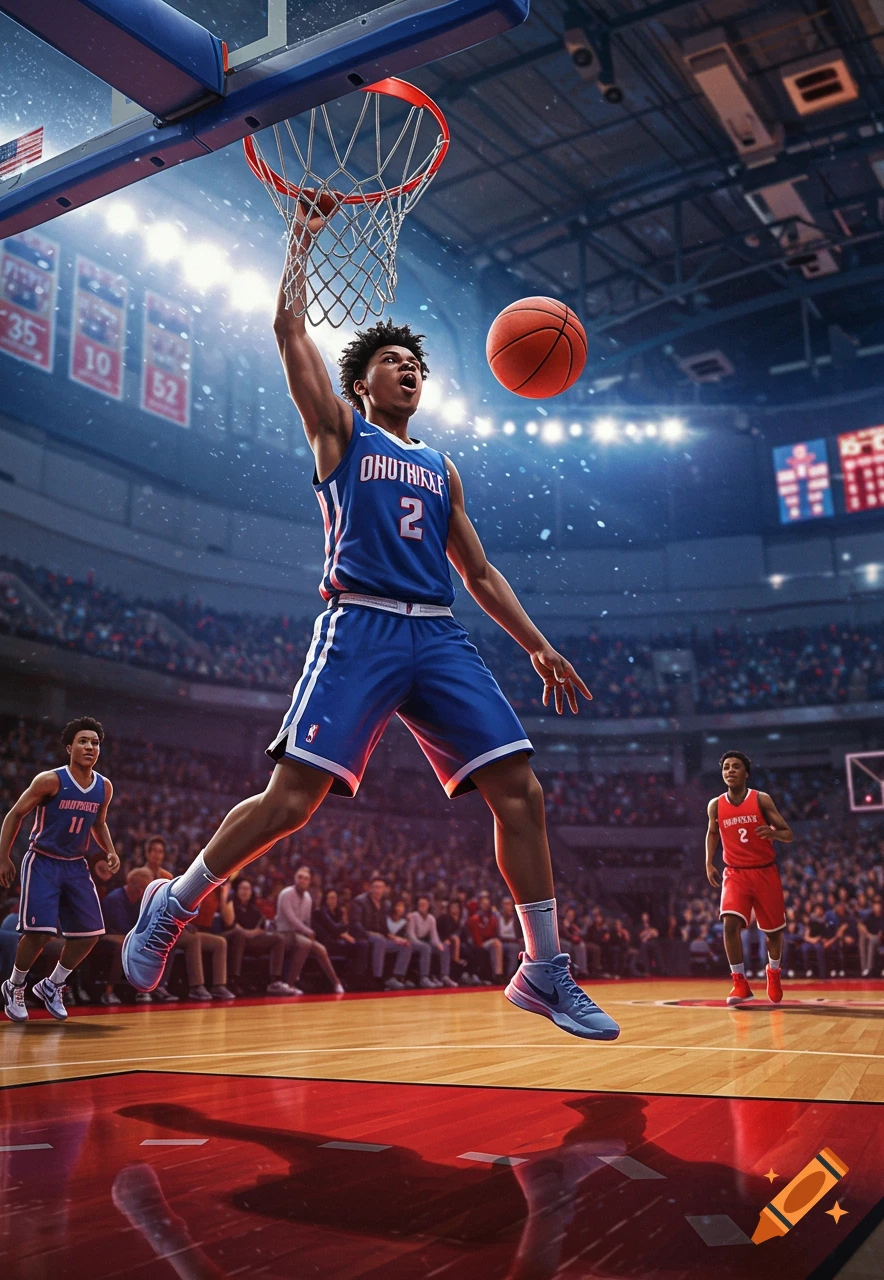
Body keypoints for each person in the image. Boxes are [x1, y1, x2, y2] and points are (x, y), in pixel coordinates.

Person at [122, 208, 619, 1043]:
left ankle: (543, 969)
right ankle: (172, 903)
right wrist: (302, 242)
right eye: (394, 360)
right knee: (292, 802)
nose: (409, 369)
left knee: (520, 792)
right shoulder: (339, 433)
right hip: (360, 627)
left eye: (417, 363)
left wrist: (536, 641)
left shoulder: (441, 466)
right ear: (364, 381)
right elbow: (287, 326)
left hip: (438, 634)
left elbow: (481, 571)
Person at [0, 717, 120, 1022]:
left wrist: (111, 850)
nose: (90, 746)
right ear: (69, 748)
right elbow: (15, 814)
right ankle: (14, 985)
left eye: (95, 742)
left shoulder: (104, 787)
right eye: (83, 741)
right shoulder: (49, 780)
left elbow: (99, 823)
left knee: (90, 934)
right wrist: (3, 857)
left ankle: (53, 985)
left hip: (76, 865)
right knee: (40, 933)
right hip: (43, 861)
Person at [705, 751, 793, 1007]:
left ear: (746, 773)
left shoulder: (761, 799)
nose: (730, 770)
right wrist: (708, 861)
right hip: (734, 872)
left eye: (736, 767)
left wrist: (774, 834)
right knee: (729, 924)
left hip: (764, 871)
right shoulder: (715, 805)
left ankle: (773, 972)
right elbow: (712, 833)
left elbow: (789, 834)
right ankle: (740, 982)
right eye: (726, 767)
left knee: (773, 933)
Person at [276, 866, 344, 994]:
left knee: (321, 949)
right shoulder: (286, 894)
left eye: (306, 878)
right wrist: (307, 932)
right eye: (300, 877)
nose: (302, 880)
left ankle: (336, 983)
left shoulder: (307, 897)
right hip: (284, 933)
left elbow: (307, 921)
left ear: (309, 882)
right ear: (295, 879)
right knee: (305, 943)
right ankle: (290, 985)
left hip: (300, 933)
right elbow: (292, 919)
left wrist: (308, 931)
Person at [220, 876, 292, 997]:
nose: (245, 891)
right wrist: (249, 933)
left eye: (248, 889)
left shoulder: (253, 908)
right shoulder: (231, 903)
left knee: (278, 938)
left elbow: (262, 927)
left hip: (249, 939)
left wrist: (251, 933)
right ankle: (234, 981)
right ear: (236, 891)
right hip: (230, 939)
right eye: (242, 888)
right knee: (239, 935)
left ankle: (275, 981)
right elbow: (232, 925)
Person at [99, 865, 156, 1004]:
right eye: (139, 888)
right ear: (130, 884)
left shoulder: (139, 900)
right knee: (125, 945)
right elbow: (122, 926)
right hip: (105, 935)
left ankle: (143, 989)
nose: (141, 892)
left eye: (144, 889)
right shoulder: (115, 899)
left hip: (126, 934)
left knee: (151, 943)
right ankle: (108, 992)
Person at [349, 876, 412, 990]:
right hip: (362, 936)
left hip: (379, 938)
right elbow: (355, 925)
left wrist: (394, 938)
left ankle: (395, 977)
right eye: (375, 887)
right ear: (370, 888)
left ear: (384, 889)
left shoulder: (384, 904)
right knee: (379, 940)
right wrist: (370, 934)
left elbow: (383, 929)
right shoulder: (360, 901)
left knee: (405, 945)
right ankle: (377, 979)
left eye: (380, 888)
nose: (378, 890)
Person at [312, 887, 369, 983]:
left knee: (364, 943)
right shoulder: (321, 911)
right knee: (357, 946)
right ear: (325, 899)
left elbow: (340, 927)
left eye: (335, 898)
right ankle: (353, 978)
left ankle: (357, 976)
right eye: (330, 898)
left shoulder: (337, 912)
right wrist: (343, 931)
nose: (333, 901)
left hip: (336, 938)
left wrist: (342, 930)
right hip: (326, 942)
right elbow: (334, 928)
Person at [406, 894, 455, 988]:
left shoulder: (431, 918)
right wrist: (422, 944)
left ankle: (445, 976)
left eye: (424, 904)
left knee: (444, 947)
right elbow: (411, 935)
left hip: (424, 942)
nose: (422, 906)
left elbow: (434, 936)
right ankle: (424, 978)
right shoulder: (413, 916)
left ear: (428, 906)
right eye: (420, 904)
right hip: (413, 942)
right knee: (426, 947)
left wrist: (439, 944)